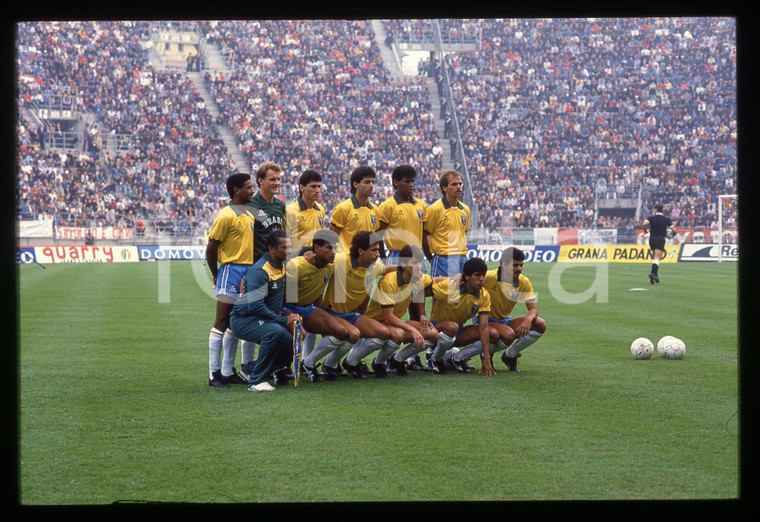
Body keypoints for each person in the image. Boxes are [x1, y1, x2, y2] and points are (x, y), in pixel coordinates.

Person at [448, 247, 546, 372]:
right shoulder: (489, 277)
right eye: (515, 265)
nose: (519, 269)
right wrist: (458, 276)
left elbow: (533, 309)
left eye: (521, 265)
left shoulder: (524, 282)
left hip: (505, 320)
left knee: (540, 324)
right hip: (485, 320)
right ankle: (458, 357)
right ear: (504, 265)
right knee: (508, 334)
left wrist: (529, 319)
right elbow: (468, 279)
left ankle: (510, 355)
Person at [284, 229, 360, 382]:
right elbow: (276, 285)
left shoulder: (330, 265)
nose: (333, 252)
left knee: (342, 331)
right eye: (329, 248)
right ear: (316, 249)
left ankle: (309, 363)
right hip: (286, 308)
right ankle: (279, 367)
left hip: (307, 308)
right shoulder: (298, 265)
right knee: (300, 333)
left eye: (335, 248)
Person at [229, 230, 301, 392]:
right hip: (244, 319)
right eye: (284, 248)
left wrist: (308, 250)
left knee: (290, 344)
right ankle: (256, 381)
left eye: (289, 247)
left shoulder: (280, 264)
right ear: (271, 249)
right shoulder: (260, 271)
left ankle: (250, 369)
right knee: (275, 332)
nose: (288, 251)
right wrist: (282, 320)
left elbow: (296, 253)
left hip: (263, 318)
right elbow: (254, 306)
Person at [319, 230, 395, 379]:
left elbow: (385, 269)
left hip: (351, 315)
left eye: (378, 250)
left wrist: (405, 268)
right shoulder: (340, 260)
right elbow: (319, 260)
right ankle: (322, 365)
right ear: (361, 250)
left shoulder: (375, 266)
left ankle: (349, 362)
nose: (378, 254)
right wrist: (308, 253)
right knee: (353, 334)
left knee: (384, 332)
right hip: (330, 313)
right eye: (373, 250)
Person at [205, 173, 255, 388]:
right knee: (222, 321)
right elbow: (211, 248)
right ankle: (213, 373)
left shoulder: (249, 214)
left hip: (248, 271)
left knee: (237, 322)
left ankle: (227, 370)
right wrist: (217, 274)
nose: (252, 191)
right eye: (248, 187)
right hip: (230, 270)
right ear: (237, 190)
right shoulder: (225, 216)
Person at [364, 245, 440, 377]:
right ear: (404, 264)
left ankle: (397, 359)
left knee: (432, 333)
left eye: (420, 262)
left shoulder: (418, 278)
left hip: (394, 322)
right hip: (375, 321)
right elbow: (388, 317)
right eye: (414, 262)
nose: (419, 266)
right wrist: (413, 330)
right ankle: (369, 362)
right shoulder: (389, 281)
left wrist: (457, 279)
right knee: (398, 334)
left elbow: (435, 280)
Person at [244, 162, 286, 373]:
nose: (276, 183)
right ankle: (246, 364)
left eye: (278, 179)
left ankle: (264, 365)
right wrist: (249, 272)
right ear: (260, 181)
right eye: (272, 179)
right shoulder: (251, 205)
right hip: (257, 269)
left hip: (276, 270)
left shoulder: (280, 206)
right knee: (252, 316)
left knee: (271, 314)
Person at [427, 257, 496, 376]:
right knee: (452, 327)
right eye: (477, 275)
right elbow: (419, 292)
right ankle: (435, 359)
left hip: (457, 331)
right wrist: (422, 318)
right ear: (467, 276)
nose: (482, 279)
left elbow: (483, 327)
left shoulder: (484, 295)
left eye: (483, 275)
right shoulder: (452, 286)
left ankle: (457, 358)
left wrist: (487, 357)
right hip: (436, 329)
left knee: (492, 333)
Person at [284, 169, 327, 360]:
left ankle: (307, 360)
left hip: (316, 269)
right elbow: (284, 242)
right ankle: (290, 359)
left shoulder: (320, 210)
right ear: (302, 188)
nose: (317, 190)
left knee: (314, 314)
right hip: (296, 268)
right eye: (313, 187)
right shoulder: (291, 211)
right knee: (292, 314)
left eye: (319, 186)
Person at [376, 165, 427, 268]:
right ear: (396, 182)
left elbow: (424, 236)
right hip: (396, 256)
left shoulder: (421, 205)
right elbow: (378, 236)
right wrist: (384, 260)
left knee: (420, 284)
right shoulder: (387, 206)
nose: (411, 185)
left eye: (412, 181)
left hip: (418, 256)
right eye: (407, 182)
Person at [424, 170, 471, 278]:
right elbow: (424, 235)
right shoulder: (434, 209)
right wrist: (431, 258)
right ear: (445, 188)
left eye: (460, 184)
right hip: (443, 259)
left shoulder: (465, 209)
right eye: (454, 184)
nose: (458, 187)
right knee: (441, 293)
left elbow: (464, 232)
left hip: (462, 258)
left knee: (463, 293)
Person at [329, 166, 380, 254]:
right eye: (367, 182)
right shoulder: (343, 208)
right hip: (347, 262)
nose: (371, 185)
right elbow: (331, 239)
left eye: (372, 182)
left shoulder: (375, 210)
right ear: (355, 184)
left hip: (367, 262)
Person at [642, 204, 674, 284]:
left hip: (652, 239)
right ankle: (652, 273)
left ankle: (655, 276)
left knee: (655, 258)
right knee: (657, 258)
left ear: (655, 209)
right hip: (660, 239)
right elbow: (674, 230)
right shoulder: (666, 219)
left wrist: (645, 231)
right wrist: (673, 235)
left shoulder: (651, 218)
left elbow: (644, 224)